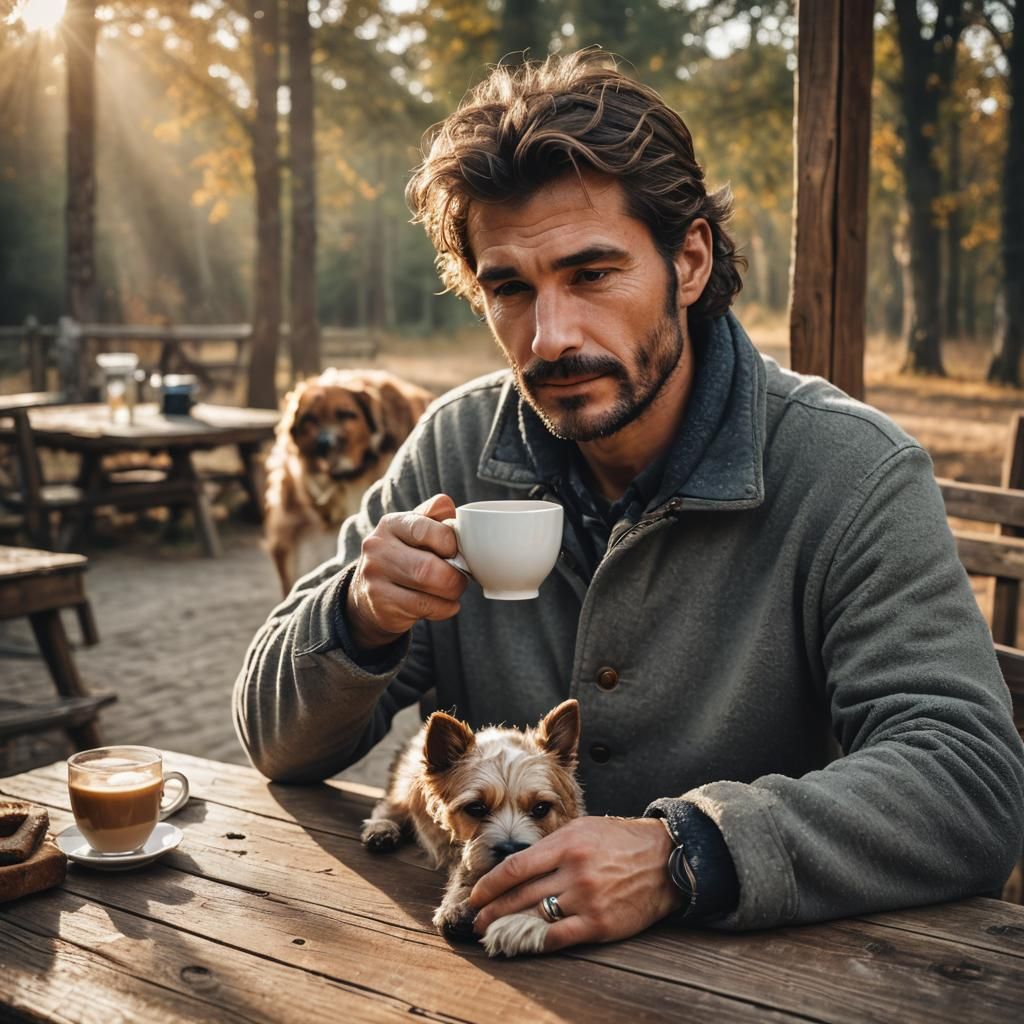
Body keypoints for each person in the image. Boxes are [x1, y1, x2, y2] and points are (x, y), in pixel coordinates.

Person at [234, 50, 1024, 948]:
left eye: (592, 273)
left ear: (688, 260)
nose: (551, 335)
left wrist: (685, 853)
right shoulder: (454, 448)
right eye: (510, 288)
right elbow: (273, 743)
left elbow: (969, 784)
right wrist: (360, 614)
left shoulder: (853, 474)